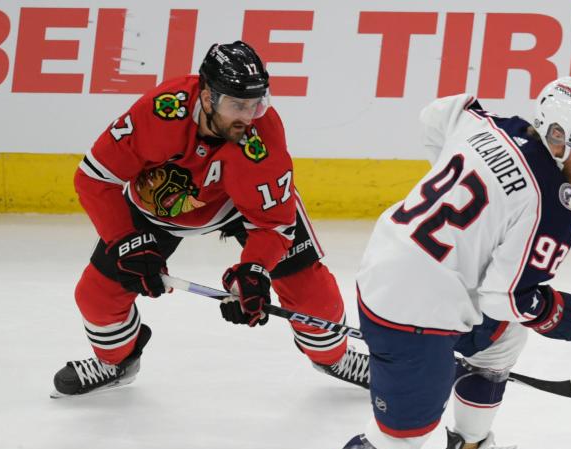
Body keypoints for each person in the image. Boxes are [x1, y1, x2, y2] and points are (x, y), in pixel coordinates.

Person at [271, 77, 571, 449]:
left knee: (504, 338)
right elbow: (506, 298)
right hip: (414, 315)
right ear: (557, 135)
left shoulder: (487, 124)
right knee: (402, 436)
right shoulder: (551, 205)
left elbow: (435, 115)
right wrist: (556, 312)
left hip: (382, 267)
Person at [52, 41, 370, 397]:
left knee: (316, 299)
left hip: (242, 207)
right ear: (206, 98)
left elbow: (274, 224)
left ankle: (336, 357)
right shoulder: (159, 114)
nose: (248, 116)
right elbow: (95, 178)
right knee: (97, 296)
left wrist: (254, 270)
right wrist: (126, 240)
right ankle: (116, 362)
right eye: (237, 105)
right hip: (158, 209)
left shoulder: (262, 136)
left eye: (255, 103)